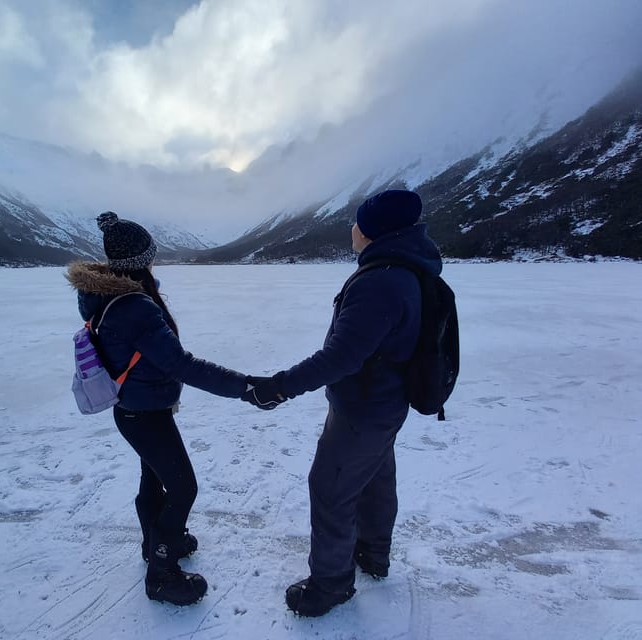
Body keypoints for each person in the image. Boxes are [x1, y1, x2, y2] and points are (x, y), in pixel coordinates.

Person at [243, 189, 443, 617]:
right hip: (385, 403)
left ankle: (330, 585)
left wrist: (280, 386)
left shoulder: (380, 281)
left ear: (372, 230)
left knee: (331, 488)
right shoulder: (405, 269)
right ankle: (372, 553)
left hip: (364, 409)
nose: (351, 229)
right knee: (374, 478)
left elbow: (341, 356)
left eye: (357, 222)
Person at [66, 211, 250, 607]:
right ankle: (162, 575)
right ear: (142, 260)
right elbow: (180, 364)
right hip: (143, 412)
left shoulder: (110, 297)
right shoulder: (135, 307)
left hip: (136, 408)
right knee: (184, 488)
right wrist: (245, 388)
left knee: (153, 478)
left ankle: (158, 544)